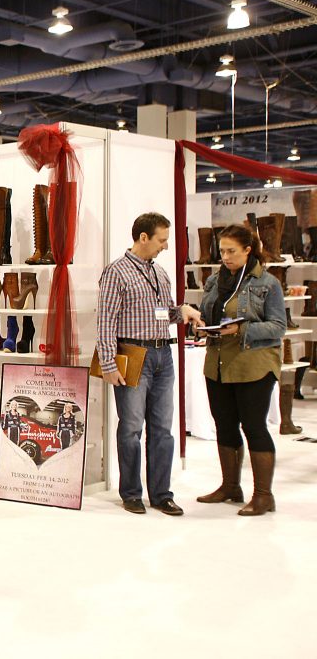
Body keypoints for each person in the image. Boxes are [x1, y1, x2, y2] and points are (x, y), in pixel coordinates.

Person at [96, 212, 202, 516]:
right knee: (131, 428)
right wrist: (108, 363)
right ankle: (131, 493)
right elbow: (106, 321)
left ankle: (161, 494)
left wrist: (182, 311)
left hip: (162, 356)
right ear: (143, 237)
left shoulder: (160, 273)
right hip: (132, 355)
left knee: (163, 429)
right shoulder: (116, 272)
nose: (165, 246)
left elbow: (162, 313)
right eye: (162, 239)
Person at [197, 223, 285, 516]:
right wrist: (200, 323)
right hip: (218, 365)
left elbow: (278, 326)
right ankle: (230, 486)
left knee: (254, 427)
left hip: (254, 366)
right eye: (222, 251)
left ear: (248, 250)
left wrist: (242, 328)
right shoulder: (213, 281)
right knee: (224, 424)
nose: (225, 256)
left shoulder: (268, 283)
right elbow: (208, 311)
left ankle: (264, 495)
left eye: (231, 251)